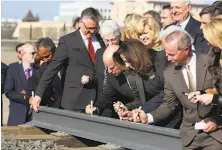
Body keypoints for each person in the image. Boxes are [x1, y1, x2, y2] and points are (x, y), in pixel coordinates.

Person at [129, 30, 222, 149]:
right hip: (190, 137)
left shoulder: (211, 63)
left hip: (215, 134)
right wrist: (148, 117)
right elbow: (169, 104)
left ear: (186, 50)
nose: (168, 58)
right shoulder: (169, 73)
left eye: (172, 54)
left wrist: (217, 121)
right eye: (166, 54)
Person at [31, 7, 105, 112]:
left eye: (95, 28)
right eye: (89, 28)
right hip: (76, 100)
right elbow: (52, 68)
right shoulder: (68, 41)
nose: (92, 31)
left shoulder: (101, 40)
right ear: (81, 23)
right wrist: (38, 95)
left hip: (98, 101)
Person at [189, 18, 222, 116]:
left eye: (210, 40)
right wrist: (203, 92)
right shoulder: (216, 57)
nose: (208, 43)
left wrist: (213, 99)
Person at [4, 43, 37, 126]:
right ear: (23, 54)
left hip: (35, 116)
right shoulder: (12, 69)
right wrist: (25, 97)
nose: (35, 55)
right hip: (17, 116)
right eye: (32, 53)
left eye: (35, 53)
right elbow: (8, 92)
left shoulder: (39, 70)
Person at [26, 37, 64, 109]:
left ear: (54, 50)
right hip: (57, 108)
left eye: (47, 56)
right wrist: (31, 99)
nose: (45, 60)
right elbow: (32, 90)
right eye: (41, 58)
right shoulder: (43, 69)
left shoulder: (67, 62)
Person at [95, 20, 121, 99]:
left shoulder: (125, 51)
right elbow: (98, 75)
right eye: (107, 40)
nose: (110, 44)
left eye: (113, 40)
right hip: (102, 98)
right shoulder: (99, 53)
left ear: (119, 36)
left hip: (120, 98)